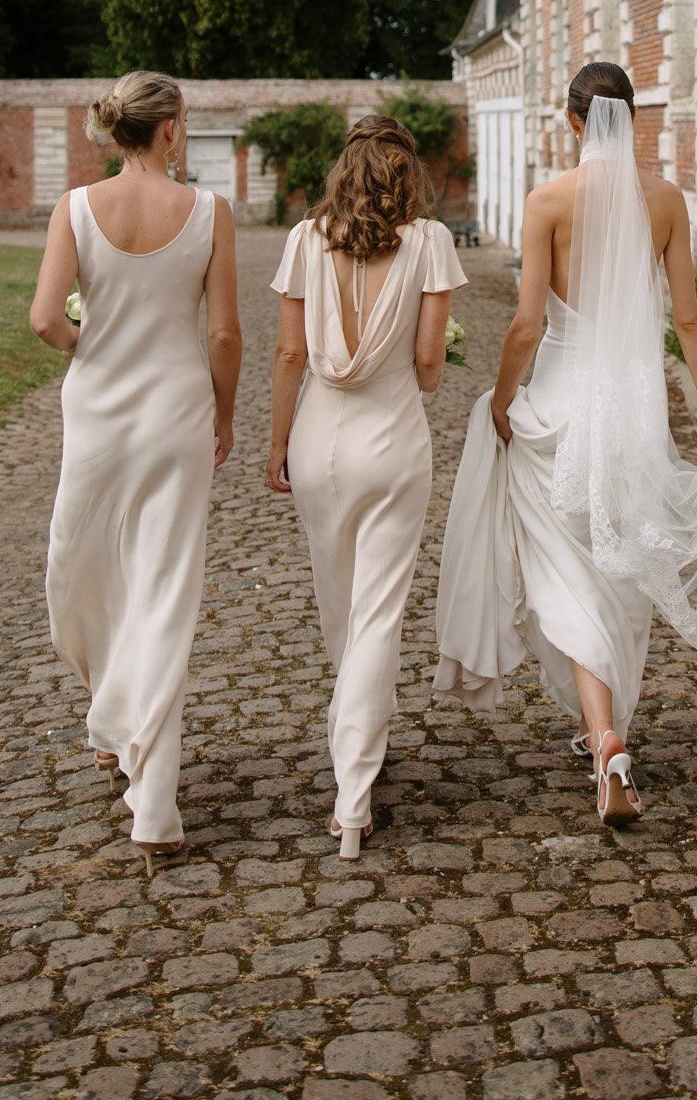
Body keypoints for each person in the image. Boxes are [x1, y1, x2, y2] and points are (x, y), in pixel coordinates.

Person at [434, 62, 697, 825]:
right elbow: (688, 319)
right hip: (633, 404)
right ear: (635, 121)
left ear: (571, 121)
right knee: (619, 571)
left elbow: (526, 325)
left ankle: (603, 737)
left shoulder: (548, 200)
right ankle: (606, 730)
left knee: (567, 572)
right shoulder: (663, 200)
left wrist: (500, 400)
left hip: (559, 399)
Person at [32, 71, 240, 877]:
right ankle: (128, 737)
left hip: (99, 415)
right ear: (170, 130)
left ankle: (154, 792)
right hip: (178, 416)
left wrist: (93, 350)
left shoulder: (76, 209)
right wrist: (223, 413)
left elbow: (47, 318)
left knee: (78, 574)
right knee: (163, 589)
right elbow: (223, 333)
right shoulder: (210, 213)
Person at [266, 116, 466, 859]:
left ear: (342, 174)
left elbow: (290, 351)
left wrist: (279, 441)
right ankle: (354, 796)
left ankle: (356, 760)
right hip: (392, 440)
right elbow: (427, 365)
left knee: (340, 605)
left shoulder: (302, 240)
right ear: (405, 174)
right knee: (380, 611)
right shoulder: (430, 244)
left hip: (320, 438)